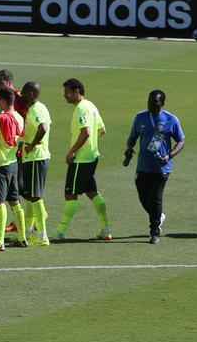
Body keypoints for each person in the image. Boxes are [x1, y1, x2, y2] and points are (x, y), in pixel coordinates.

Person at [124, 90, 186, 244]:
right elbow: (132, 138)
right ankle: (158, 216)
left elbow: (181, 141)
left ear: (162, 103)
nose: (151, 105)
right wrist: (129, 150)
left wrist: (169, 156)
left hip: (161, 168)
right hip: (143, 166)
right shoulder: (140, 118)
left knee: (156, 199)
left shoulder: (171, 120)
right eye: (149, 101)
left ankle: (154, 231)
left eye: (155, 102)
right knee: (143, 198)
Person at [54, 78, 112, 241]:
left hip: (81, 159)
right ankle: (106, 229)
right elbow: (102, 130)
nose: (65, 96)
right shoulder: (91, 106)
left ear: (76, 91)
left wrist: (72, 151)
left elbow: (85, 132)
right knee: (92, 191)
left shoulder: (81, 109)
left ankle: (60, 231)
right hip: (92, 157)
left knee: (71, 194)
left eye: (67, 93)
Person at [0, 87, 28, 250]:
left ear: (4, 101)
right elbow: (19, 137)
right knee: (14, 201)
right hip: (13, 163)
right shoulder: (19, 117)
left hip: (0, 164)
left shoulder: (1, 119)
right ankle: (22, 237)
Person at [16, 82, 52, 245]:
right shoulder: (38, 107)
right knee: (31, 196)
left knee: (35, 196)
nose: (21, 95)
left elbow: (43, 128)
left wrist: (31, 145)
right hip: (33, 158)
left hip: (36, 157)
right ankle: (31, 231)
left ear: (31, 93)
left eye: (24, 92)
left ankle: (43, 234)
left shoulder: (37, 109)